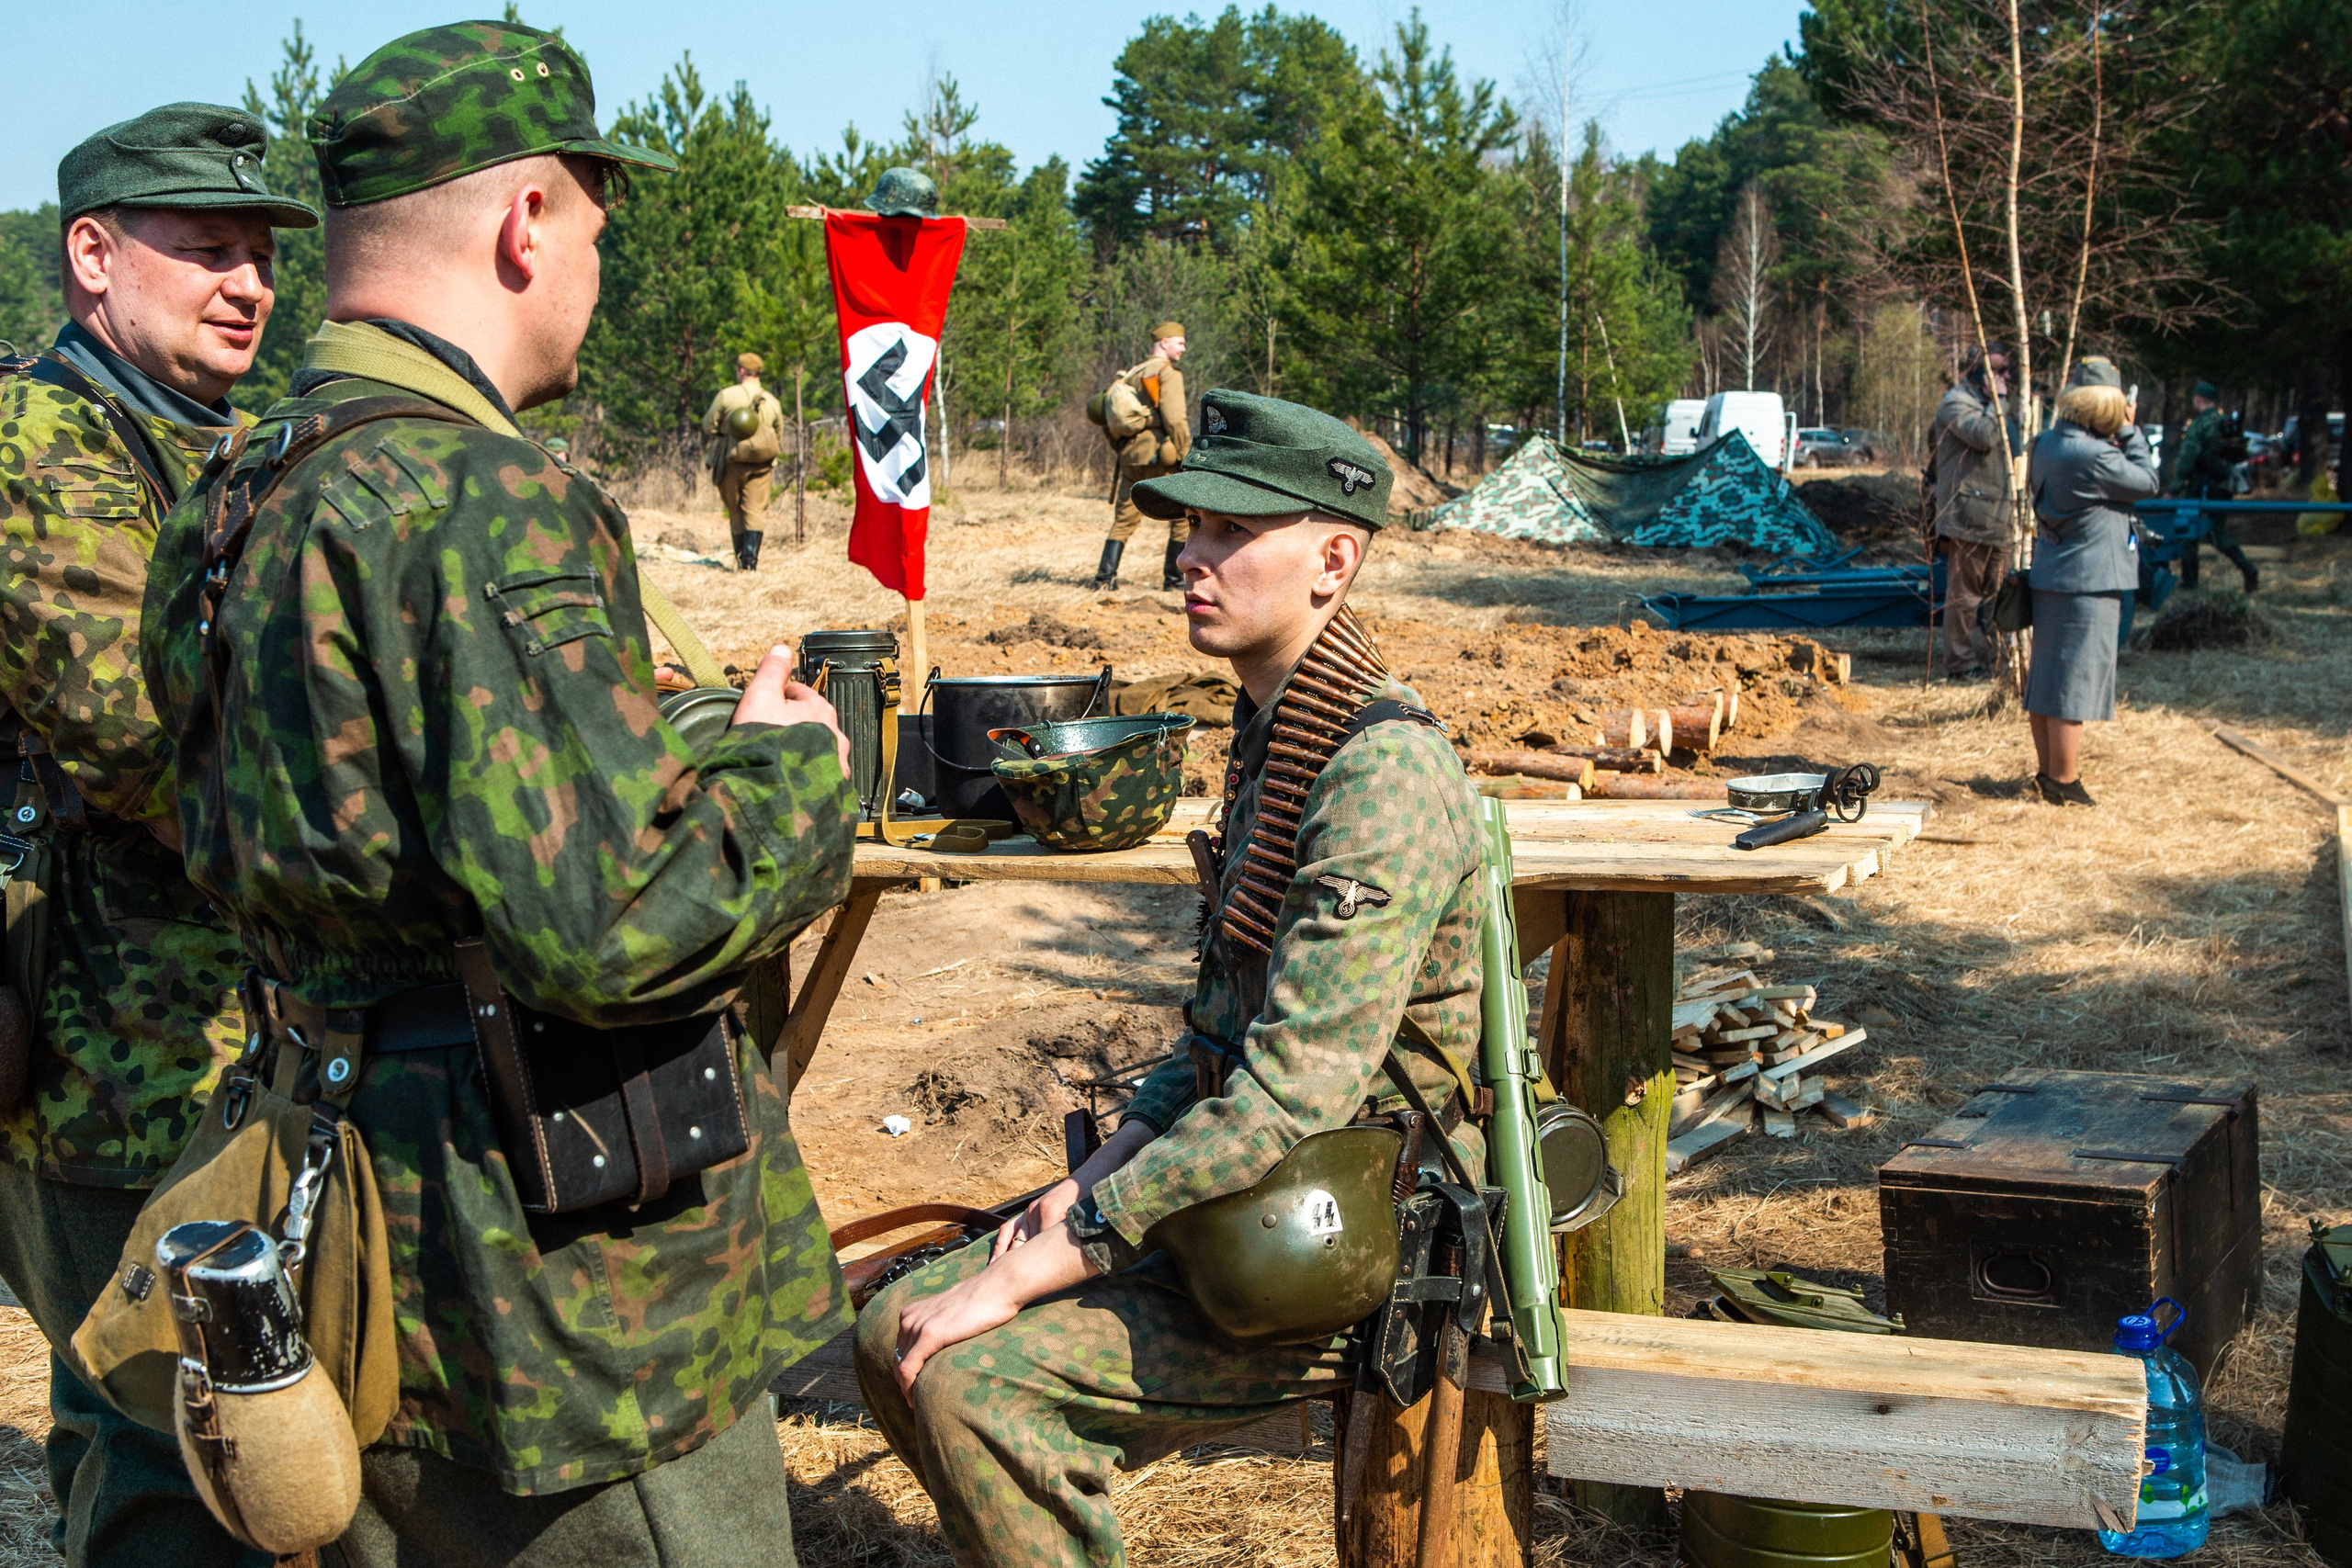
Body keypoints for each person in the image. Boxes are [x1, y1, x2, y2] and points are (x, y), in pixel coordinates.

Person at [138, 23, 860, 1563]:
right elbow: (609, 926)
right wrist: (789, 767)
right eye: (596, 219)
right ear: (529, 221)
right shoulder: (476, 497)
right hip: (564, 1291)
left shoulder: (234, 490)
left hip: (337, 1209)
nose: (597, 257)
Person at [854, 389, 1487, 1567]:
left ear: (1333, 560)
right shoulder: (1276, 732)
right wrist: (1096, 1173)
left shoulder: (1379, 776)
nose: (1187, 557)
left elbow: (1293, 1093)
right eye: (1188, 530)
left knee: (978, 1387)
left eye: (1229, 534)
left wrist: (1067, 1244)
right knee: (894, 1323)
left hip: (1358, 1228)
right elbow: (1216, 1042)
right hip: (1251, 1190)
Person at [0, 103, 317, 1568]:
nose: (249, 284)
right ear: (91, 256)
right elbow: (142, 736)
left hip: (244, 1030)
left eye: (260, 254)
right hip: (99, 1052)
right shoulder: (34, 447)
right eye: (205, 251)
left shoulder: (233, 443)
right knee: (145, 1427)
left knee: (260, 1419)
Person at [2023, 356, 2159, 807]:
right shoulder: (2097, 455)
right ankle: (2064, 781)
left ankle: (2049, 774)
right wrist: (2131, 431)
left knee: (2047, 679)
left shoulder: (2046, 443)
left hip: (2052, 574)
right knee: (2072, 685)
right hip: (2087, 582)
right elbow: (2148, 481)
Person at [1924, 342, 2018, 680]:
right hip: (1968, 514)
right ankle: (1960, 664)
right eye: (1998, 370)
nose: (2006, 377)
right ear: (1978, 371)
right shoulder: (1956, 403)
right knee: (1964, 597)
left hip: (2000, 515)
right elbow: (1985, 435)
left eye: (2008, 370)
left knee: (1999, 596)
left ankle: (1999, 660)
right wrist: (2000, 400)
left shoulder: (1990, 403)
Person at [1092, 322, 1193, 591]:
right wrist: (1187, 455)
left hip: (1132, 456)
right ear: (1164, 343)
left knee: (1124, 519)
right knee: (1184, 516)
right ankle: (1173, 582)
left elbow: (1109, 417)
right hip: (1162, 457)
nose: (1183, 348)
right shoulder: (1167, 373)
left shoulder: (1131, 375)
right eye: (1179, 343)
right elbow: (1175, 418)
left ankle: (1104, 579)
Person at [2168, 381, 2257, 593]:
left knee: (2188, 530)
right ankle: (2248, 569)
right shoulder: (2224, 423)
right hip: (2223, 486)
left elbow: (2187, 458)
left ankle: (2190, 582)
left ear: (2198, 399)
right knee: (2218, 533)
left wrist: (2174, 488)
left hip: (2199, 488)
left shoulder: (2200, 425)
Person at [704, 351, 786, 571]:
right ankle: (751, 563)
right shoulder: (772, 401)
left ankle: (740, 559)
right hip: (761, 465)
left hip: (731, 461)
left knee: (735, 510)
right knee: (754, 510)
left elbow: (709, 425)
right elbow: (779, 434)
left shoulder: (727, 395)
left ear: (741, 371)